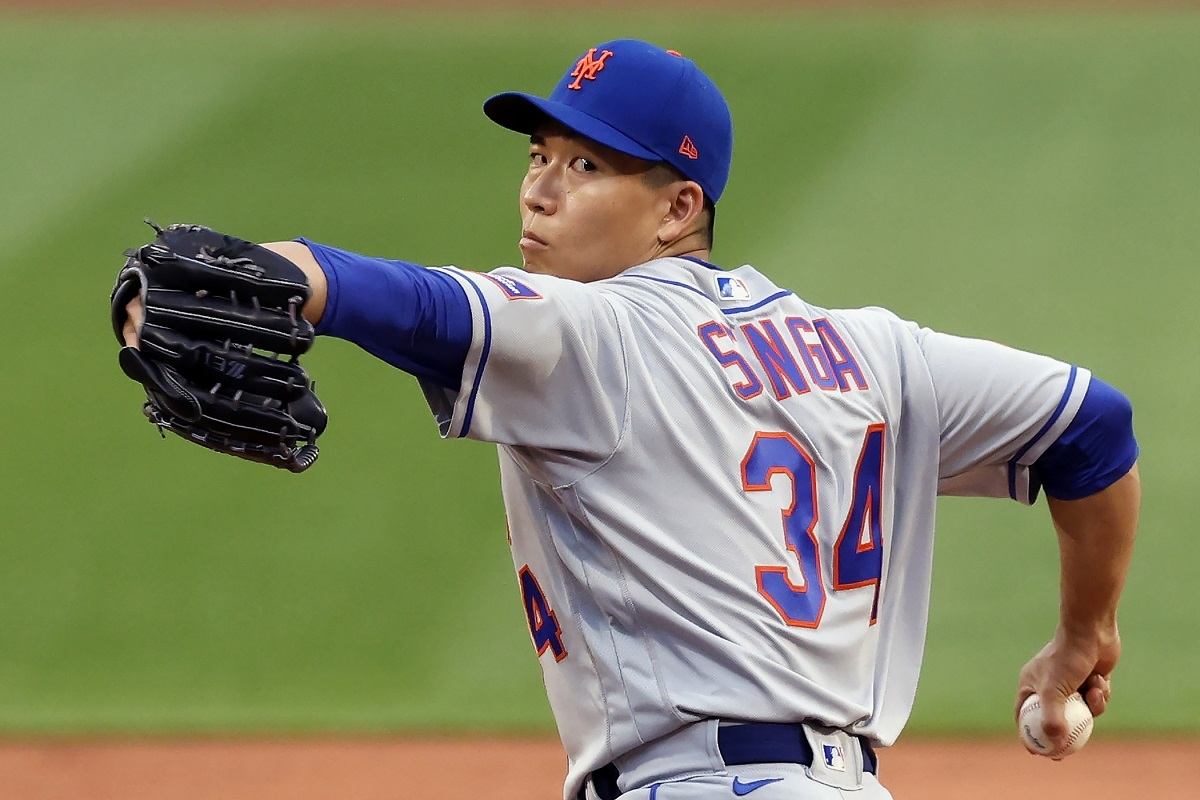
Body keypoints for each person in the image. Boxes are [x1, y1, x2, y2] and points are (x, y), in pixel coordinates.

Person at [121, 39, 1140, 800]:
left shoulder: (595, 331)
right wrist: (1079, 637)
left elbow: (411, 301)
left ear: (677, 207)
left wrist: (277, 273)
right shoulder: (874, 352)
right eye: (540, 155)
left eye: (587, 166)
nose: (540, 190)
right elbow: (1092, 425)